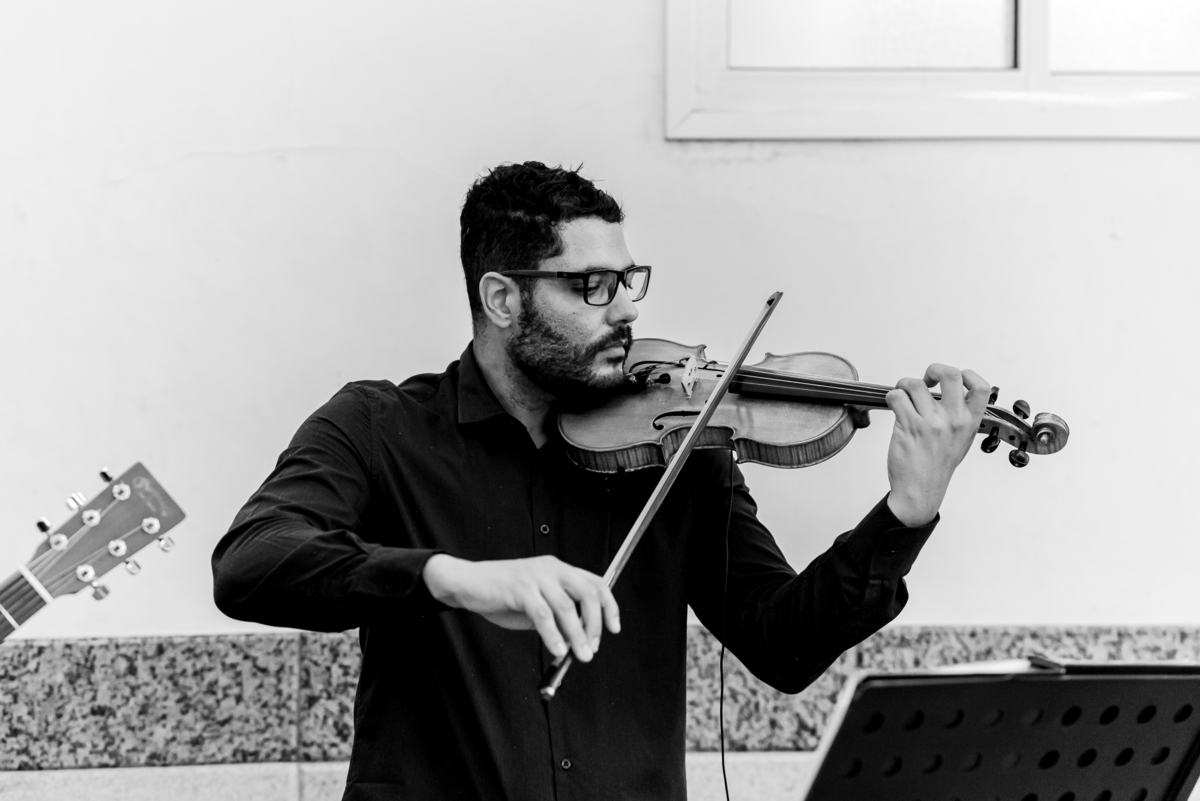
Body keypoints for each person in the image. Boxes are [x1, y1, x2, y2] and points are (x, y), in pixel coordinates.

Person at [212, 161, 990, 800]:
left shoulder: (677, 446)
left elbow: (784, 643)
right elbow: (251, 561)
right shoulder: (380, 428)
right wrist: (451, 577)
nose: (623, 311)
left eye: (627, 280)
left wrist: (906, 512)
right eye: (591, 285)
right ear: (502, 298)